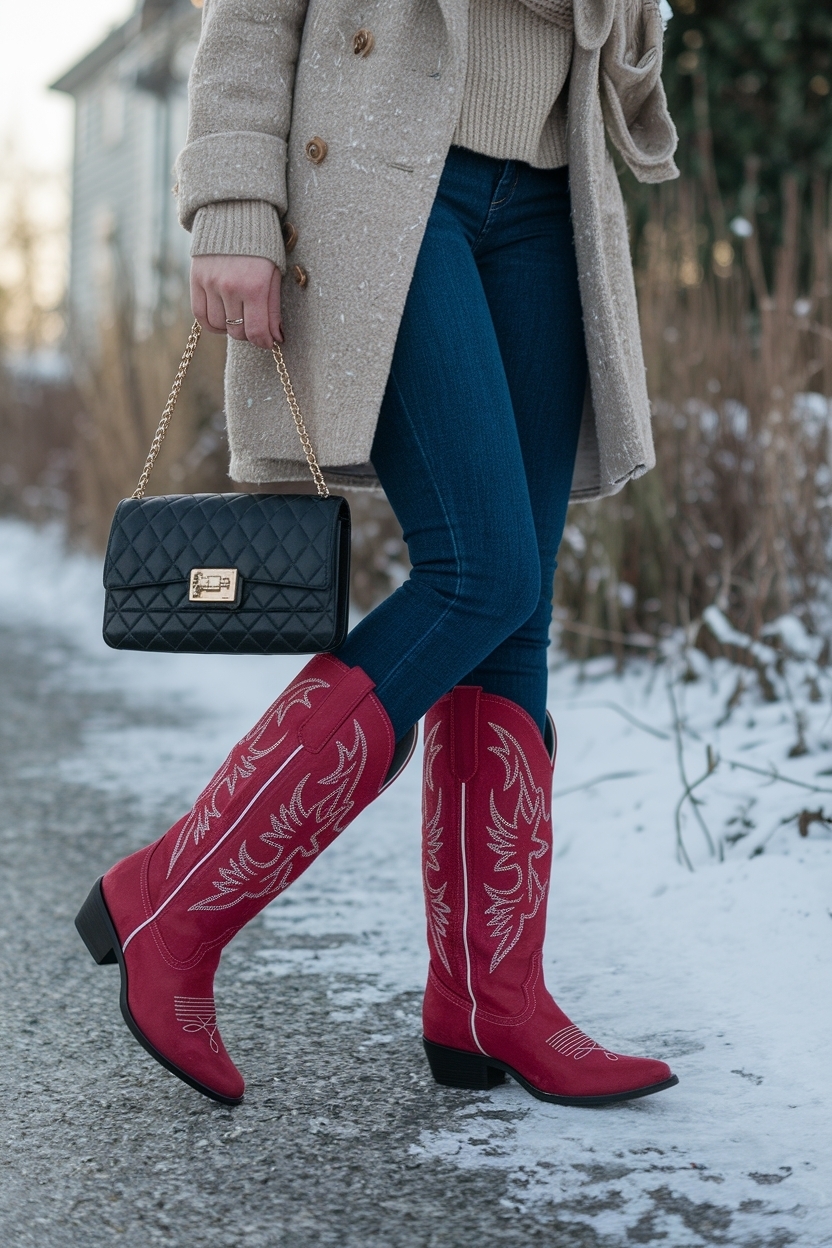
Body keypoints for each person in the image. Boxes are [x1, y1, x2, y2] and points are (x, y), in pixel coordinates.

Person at [75, 0, 680, 1108]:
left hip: (549, 196)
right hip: (387, 181)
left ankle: (488, 999)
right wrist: (235, 203)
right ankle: (176, 900)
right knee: (480, 572)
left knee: (516, 606)